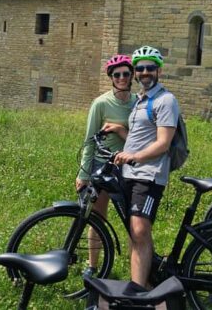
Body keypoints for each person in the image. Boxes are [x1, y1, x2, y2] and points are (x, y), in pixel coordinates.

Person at [104, 45, 180, 288]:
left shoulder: (165, 100)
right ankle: (146, 282)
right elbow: (140, 137)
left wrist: (134, 156)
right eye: (140, 68)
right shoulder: (139, 102)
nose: (145, 72)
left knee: (138, 230)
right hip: (131, 172)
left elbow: (163, 144)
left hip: (148, 175)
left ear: (158, 71)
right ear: (135, 72)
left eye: (150, 68)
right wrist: (120, 132)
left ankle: (138, 293)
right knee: (135, 231)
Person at [76, 54, 135, 276]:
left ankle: (136, 271)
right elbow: (90, 139)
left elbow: (140, 142)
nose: (121, 78)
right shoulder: (101, 103)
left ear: (131, 77)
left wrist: (121, 131)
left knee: (132, 221)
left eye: (125, 74)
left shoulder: (138, 103)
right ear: (111, 77)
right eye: (117, 74)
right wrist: (83, 173)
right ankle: (92, 266)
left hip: (127, 166)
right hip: (102, 165)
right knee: (97, 218)